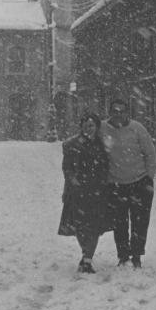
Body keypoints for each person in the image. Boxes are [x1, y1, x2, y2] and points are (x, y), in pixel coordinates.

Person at [102, 98, 156, 269]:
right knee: (120, 222)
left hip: (139, 182)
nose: (118, 114)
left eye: (122, 111)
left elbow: (150, 152)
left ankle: (137, 255)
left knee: (140, 221)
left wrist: (149, 177)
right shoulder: (103, 128)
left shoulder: (137, 129)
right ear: (109, 112)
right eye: (115, 110)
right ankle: (123, 255)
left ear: (127, 113)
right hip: (115, 183)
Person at [57, 112, 110, 273]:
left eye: (92, 125)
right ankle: (85, 253)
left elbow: (107, 166)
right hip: (78, 192)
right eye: (86, 125)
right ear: (81, 127)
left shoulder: (102, 144)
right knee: (80, 226)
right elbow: (67, 168)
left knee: (94, 226)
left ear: (97, 127)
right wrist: (74, 182)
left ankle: (87, 259)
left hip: (98, 191)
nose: (89, 128)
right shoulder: (72, 144)